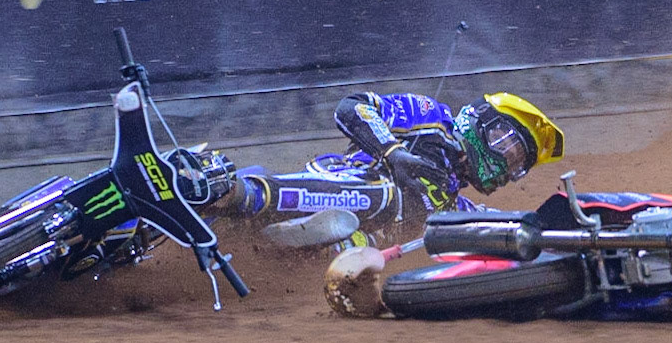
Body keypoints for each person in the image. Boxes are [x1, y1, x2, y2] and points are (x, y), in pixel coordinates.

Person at [221, 90, 565, 239]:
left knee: (380, 247)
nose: (508, 167)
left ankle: (285, 244)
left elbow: (500, 226)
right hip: (346, 178)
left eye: (518, 165)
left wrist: (552, 225)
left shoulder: (455, 204)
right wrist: (393, 153)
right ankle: (232, 190)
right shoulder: (431, 118)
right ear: (480, 121)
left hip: (336, 236)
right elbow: (352, 106)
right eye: (508, 148)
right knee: (390, 197)